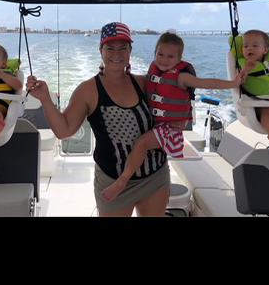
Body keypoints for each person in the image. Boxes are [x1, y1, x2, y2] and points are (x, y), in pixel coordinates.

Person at [27, 22, 178, 217]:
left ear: (130, 50)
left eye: (123, 47)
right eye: (110, 48)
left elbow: (173, 104)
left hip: (155, 175)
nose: (117, 54)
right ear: (101, 50)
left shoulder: (143, 83)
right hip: (112, 181)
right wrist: (45, 98)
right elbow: (64, 131)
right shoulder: (88, 90)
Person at [100, 31, 245, 203]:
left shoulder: (182, 77)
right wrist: (110, 75)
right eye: (160, 54)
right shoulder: (154, 73)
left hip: (170, 129)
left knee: (141, 143)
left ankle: (122, 181)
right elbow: (138, 82)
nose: (164, 59)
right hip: (155, 124)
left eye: (170, 56)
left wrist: (233, 83)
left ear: (179, 59)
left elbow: (206, 82)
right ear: (154, 54)